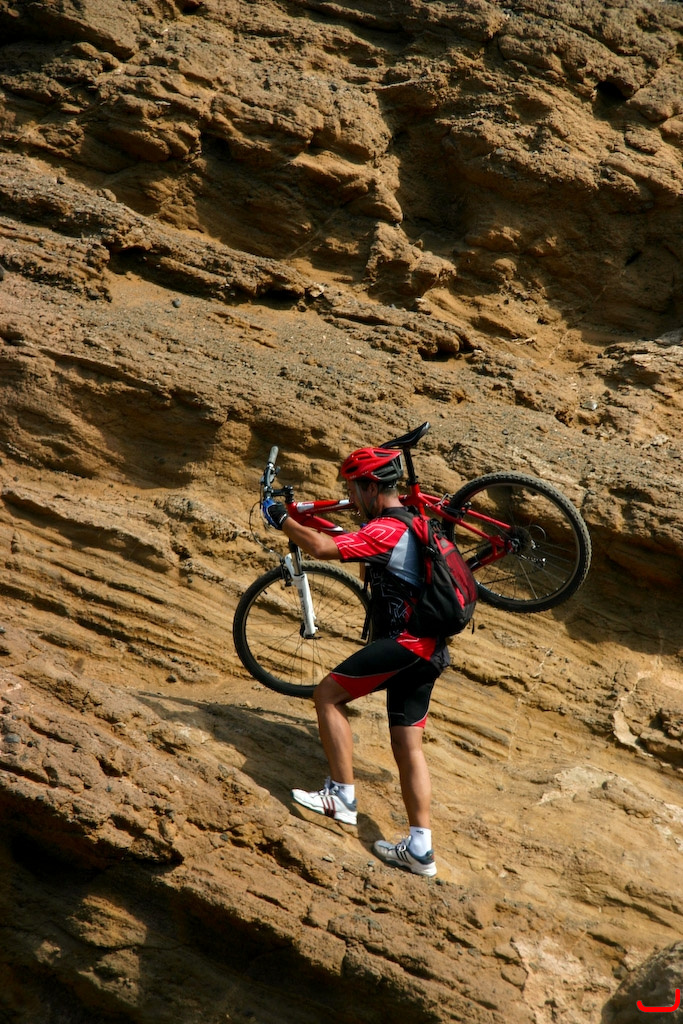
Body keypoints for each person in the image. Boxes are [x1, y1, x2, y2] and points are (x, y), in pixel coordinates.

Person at [262, 445, 449, 877]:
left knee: (327, 696)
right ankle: (421, 851)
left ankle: (342, 797)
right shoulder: (413, 522)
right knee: (408, 746)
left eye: (352, 487)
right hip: (430, 650)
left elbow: (321, 549)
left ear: (370, 487)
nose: (349, 495)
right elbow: (359, 557)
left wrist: (281, 518)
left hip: (406, 645)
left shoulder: (387, 529)